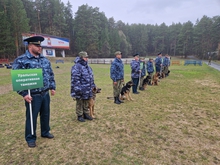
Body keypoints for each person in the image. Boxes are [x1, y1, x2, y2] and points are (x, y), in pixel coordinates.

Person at [12, 36, 56, 148]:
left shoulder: (44, 60)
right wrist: (24, 94)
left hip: (45, 93)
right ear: (30, 45)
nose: (39, 47)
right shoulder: (21, 60)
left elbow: (50, 74)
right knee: (32, 117)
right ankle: (30, 138)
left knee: (45, 114)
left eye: (40, 45)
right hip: (32, 96)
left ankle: (45, 132)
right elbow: (18, 80)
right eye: (37, 45)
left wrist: (52, 87)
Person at [71, 51, 95, 122]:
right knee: (80, 102)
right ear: (81, 58)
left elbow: (91, 77)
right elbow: (75, 79)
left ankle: (86, 114)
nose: (87, 59)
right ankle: (79, 115)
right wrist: (78, 89)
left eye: (87, 57)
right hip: (81, 88)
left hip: (87, 88)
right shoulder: (77, 67)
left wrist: (93, 85)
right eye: (85, 57)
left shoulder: (87, 67)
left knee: (86, 101)